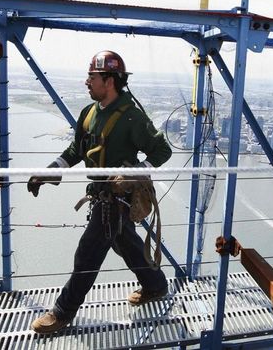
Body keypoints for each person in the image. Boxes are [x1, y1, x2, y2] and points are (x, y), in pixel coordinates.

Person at [28, 50, 172, 334]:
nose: (86, 82)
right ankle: (156, 286)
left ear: (109, 81)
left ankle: (62, 311)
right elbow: (75, 151)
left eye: (91, 77)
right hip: (100, 195)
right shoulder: (89, 113)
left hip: (117, 199)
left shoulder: (131, 117)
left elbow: (162, 151)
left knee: (87, 254)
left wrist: (133, 174)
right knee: (126, 244)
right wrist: (48, 171)